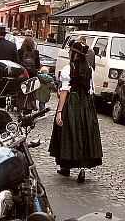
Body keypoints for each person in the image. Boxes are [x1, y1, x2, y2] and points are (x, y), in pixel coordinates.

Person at [49, 40, 103, 183]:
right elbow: (91, 90)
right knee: (84, 132)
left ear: (74, 54)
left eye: (70, 51)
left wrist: (59, 111)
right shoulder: (90, 69)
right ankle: (81, 169)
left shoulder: (68, 69)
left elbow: (65, 91)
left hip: (72, 103)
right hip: (86, 104)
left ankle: (66, 166)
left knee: (69, 133)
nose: (68, 53)